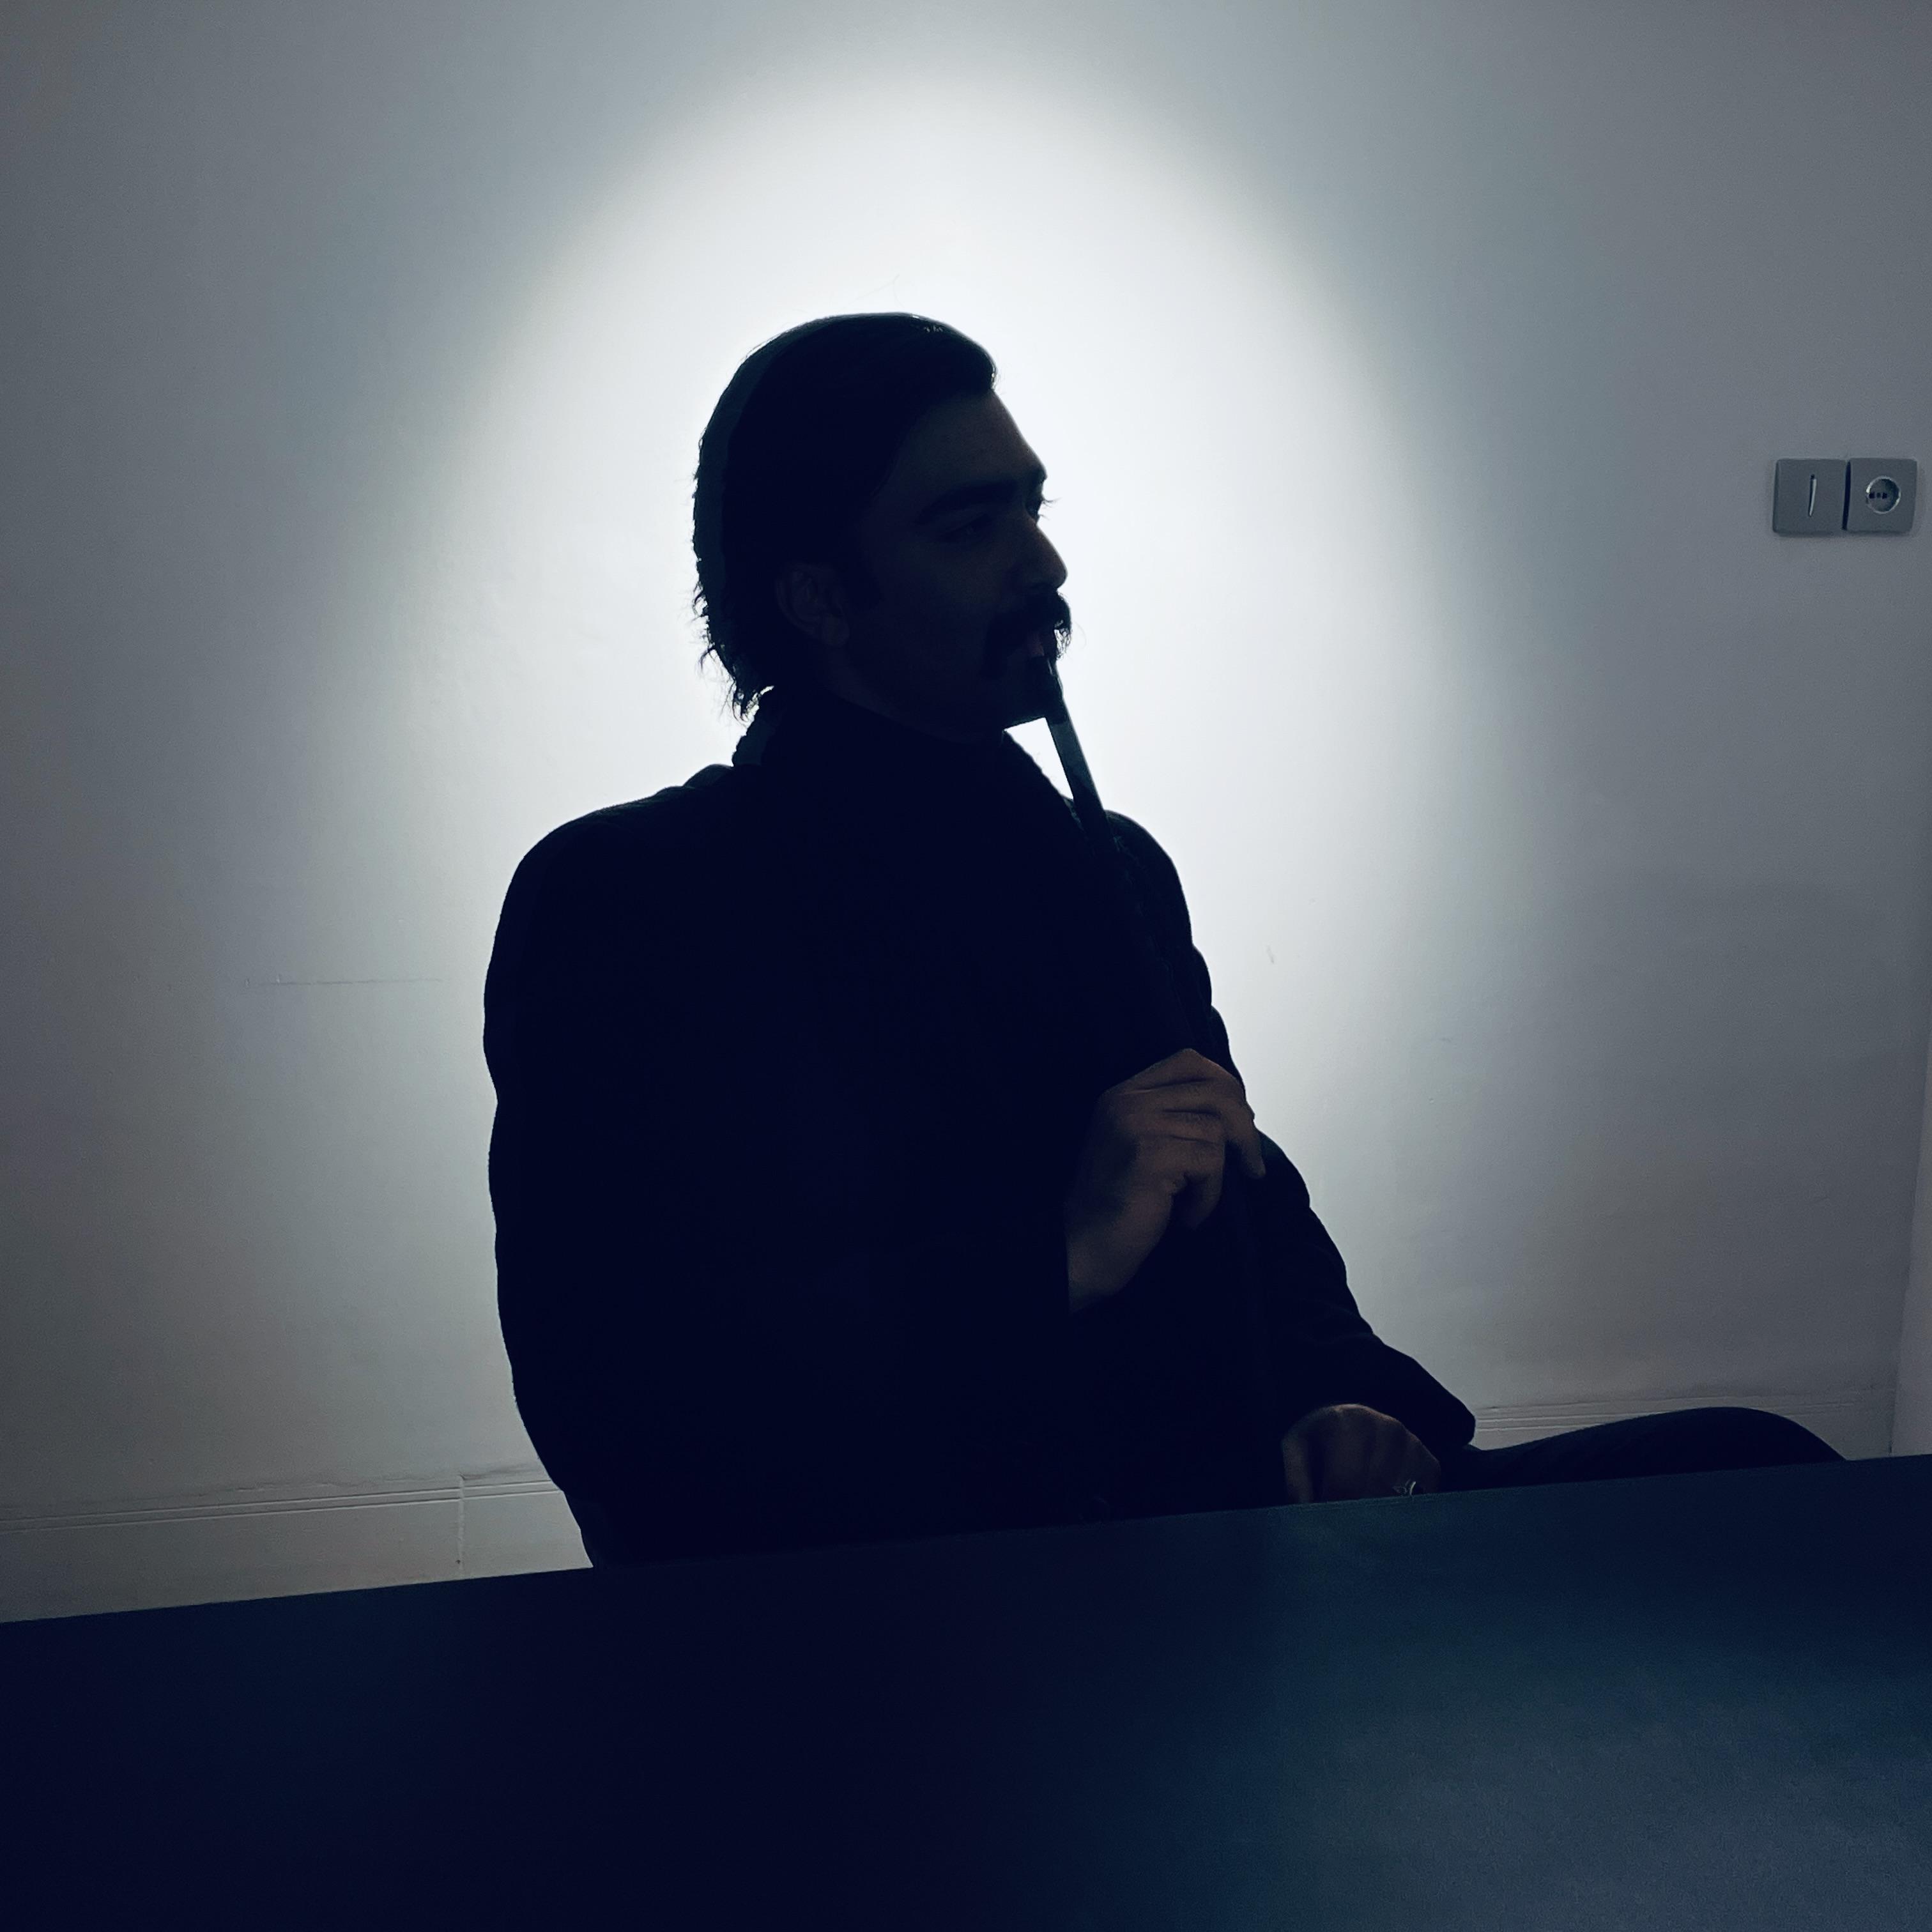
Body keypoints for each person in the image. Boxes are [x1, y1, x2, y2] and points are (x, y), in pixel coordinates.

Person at [483, 313, 1839, 1568]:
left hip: (1225, 1547)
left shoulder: (1104, 868)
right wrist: (1057, 1257)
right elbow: (628, 1401)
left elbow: (1249, 1225)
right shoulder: (633, 900)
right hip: (932, 1616)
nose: (1043, 566)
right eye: (970, 528)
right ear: (820, 599)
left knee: (1761, 1476)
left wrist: (1339, 1406)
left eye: (1033, 510)